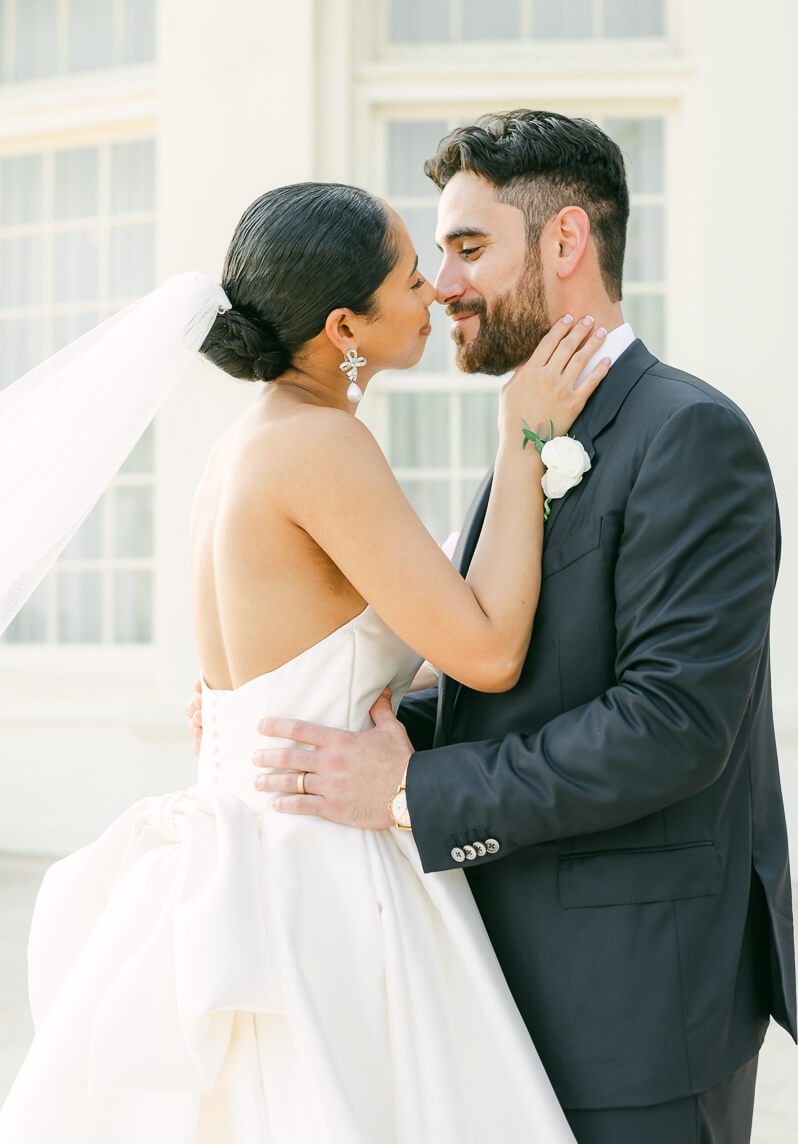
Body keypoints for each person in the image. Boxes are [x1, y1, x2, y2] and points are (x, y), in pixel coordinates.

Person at [205, 111, 796, 1144]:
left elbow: (670, 728)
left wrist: (406, 788)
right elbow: (511, 681)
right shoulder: (532, 423)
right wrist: (394, 730)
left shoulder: (690, 434)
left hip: (636, 1013)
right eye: (434, 254)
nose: (443, 283)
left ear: (566, 243)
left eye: (469, 247)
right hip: (491, 987)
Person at [0, 180, 610, 1142]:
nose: (437, 292)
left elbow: (317, 656)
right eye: (412, 278)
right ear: (344, 327)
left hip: (245, 841)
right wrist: (525, 439)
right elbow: (488, 651)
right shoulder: (324, 445)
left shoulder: (247, 443)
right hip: (320, 867)